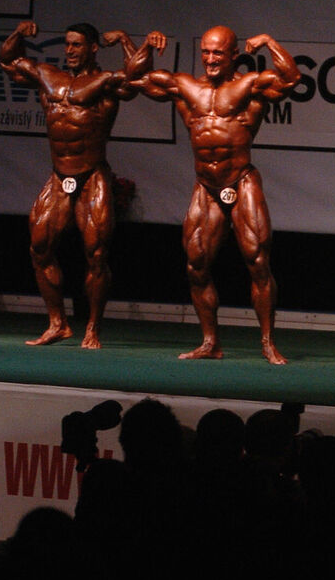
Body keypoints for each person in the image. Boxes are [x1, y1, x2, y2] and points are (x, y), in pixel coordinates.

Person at [126, 26, 296, 362]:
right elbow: (134, 79)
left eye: (218, 52)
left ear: (234, 55)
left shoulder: (250, 85)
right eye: (205, 51)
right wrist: (145, 45)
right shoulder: (185, 86)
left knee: (258, 261)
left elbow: (290, 79)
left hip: (242, 180)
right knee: (196, 265)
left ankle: (267, 341)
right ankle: (210, 342)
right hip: (206, 186)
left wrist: (271, 42)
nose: (210, 59)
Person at [0, 21, 162, 348]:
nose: (70, 50)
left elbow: (136, 77)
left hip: (92, 176)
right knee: (39, 247)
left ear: (92, 48)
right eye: (67, 44)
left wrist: (129, 39)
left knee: (96, 254)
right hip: (59, 176)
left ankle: (92, 328)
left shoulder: (104, 82)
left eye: (76, 45)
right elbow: (8, 62)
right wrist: (18, 34)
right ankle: (57, 323)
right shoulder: (47, 75)